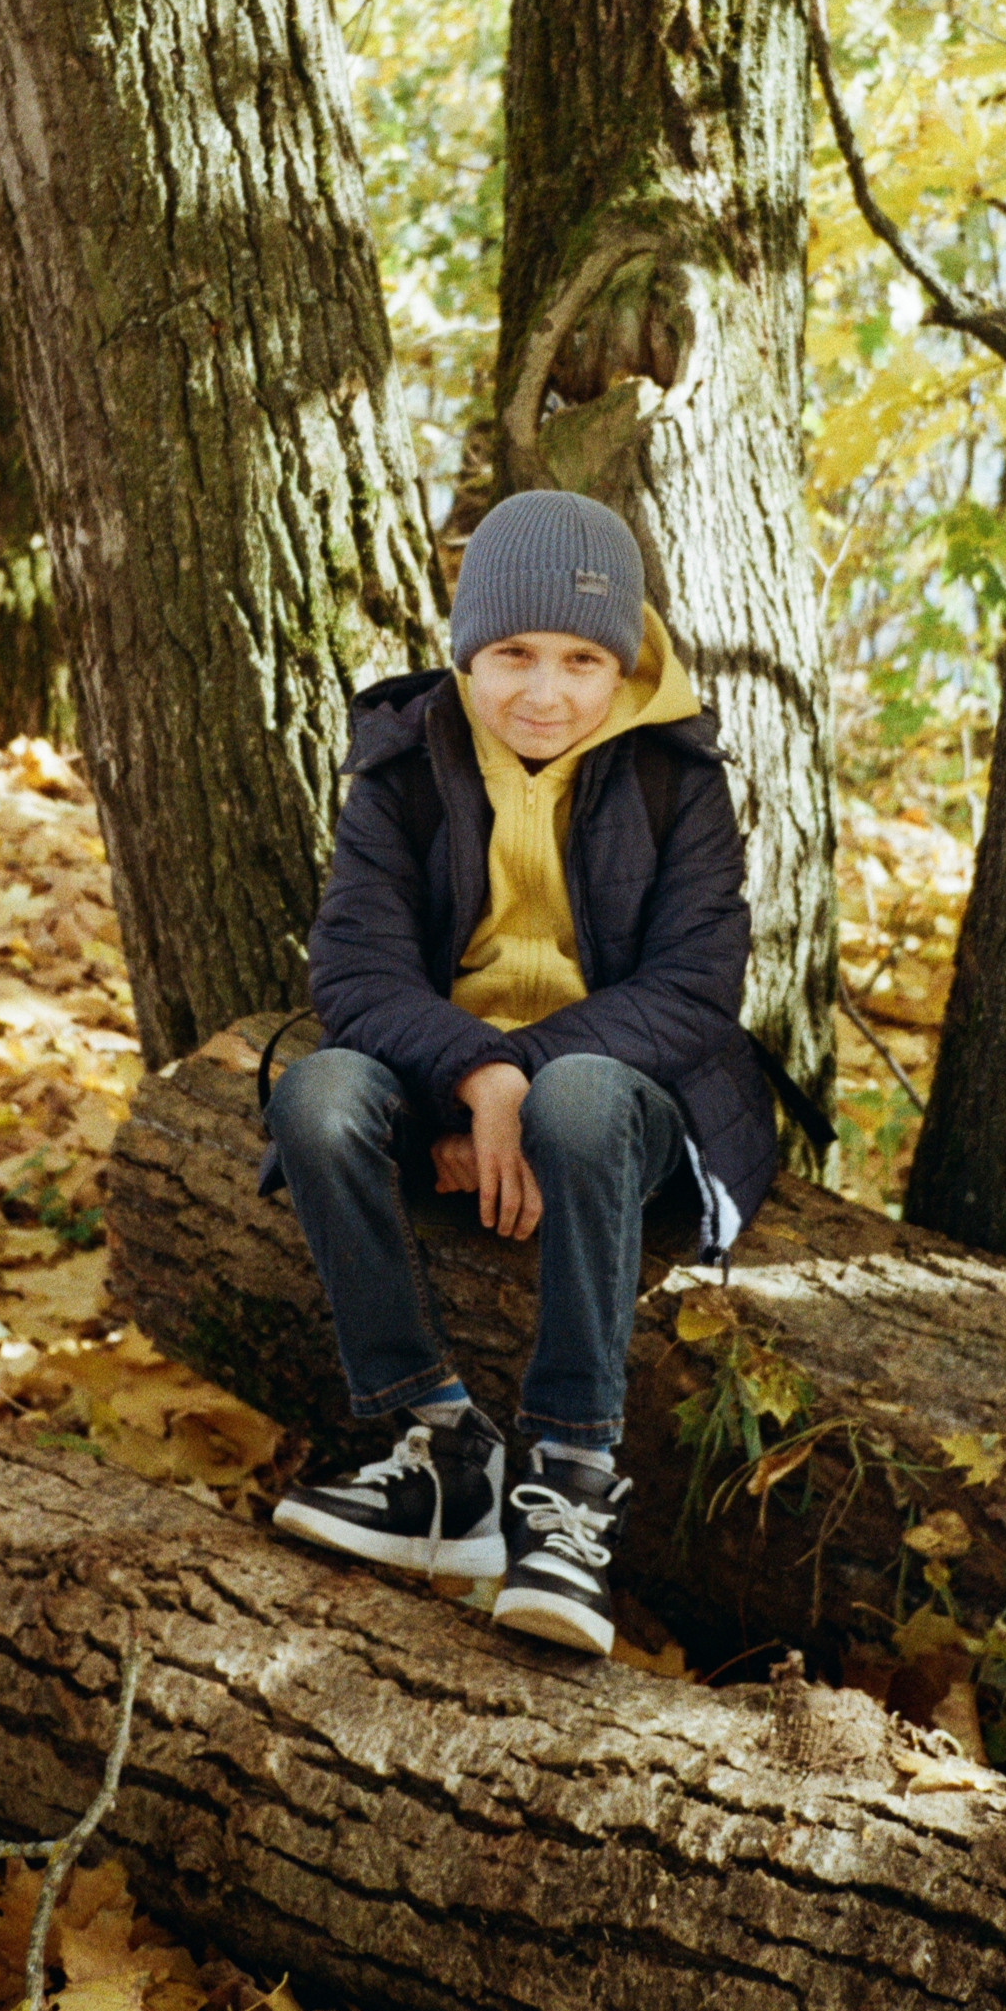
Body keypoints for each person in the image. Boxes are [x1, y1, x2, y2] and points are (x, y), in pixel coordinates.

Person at [261, 488, 794, 1657]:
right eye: (512, 653)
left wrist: (524, 1074)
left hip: (624, 1094)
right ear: (466, 652)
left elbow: (693, 988)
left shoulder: (676, 776)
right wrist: (473, 1078)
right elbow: (354, 968)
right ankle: (439, 1448)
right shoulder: (405, 762)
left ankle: (570, 1482)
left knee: (578, 1096)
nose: (543, 691)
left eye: (580, 660)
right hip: (443, 1075)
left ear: (624, 664)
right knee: (317, 1097)